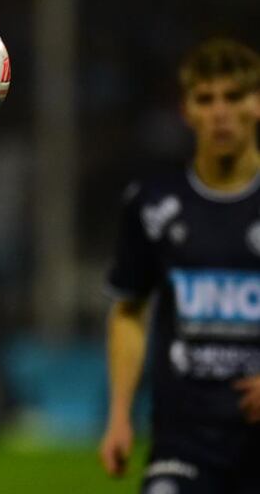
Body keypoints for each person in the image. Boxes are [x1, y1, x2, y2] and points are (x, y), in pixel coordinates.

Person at [100, 38, 260, 493]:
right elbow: (129, 309)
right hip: (185, 444)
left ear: (258, 104)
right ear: (186, 111)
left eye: (234, 97)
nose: (220, 112)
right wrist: (118, 416)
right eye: (205, 99)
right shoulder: (152, 205)